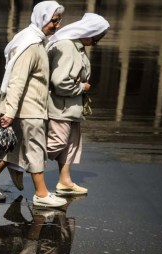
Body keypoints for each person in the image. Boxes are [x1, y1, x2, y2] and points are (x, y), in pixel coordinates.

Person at [0, 1, 66, 208]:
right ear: (42, 19)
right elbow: (18, 80)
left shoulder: (33, 40)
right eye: (54, 20)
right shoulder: (31, 46)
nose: (57, 25)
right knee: (35, 150)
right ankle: (41, 194)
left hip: (26, 108)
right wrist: (10, 112)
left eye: (59, 20)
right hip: (28, 109)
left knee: (13, 149)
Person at [46, 13, 110, 196]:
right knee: (57, 143)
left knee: (71, 144)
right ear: (88, 32)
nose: (97, 42)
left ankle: (65, 181)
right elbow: (60, 82)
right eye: (97, 37)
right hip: (61, 106)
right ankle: (19, 161)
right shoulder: (67, 47)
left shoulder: (78, 47)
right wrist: (82, 87)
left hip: (71, 106)